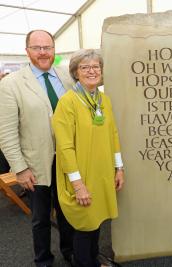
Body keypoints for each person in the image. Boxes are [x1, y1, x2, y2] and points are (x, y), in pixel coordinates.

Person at [0, 30, 75, 266]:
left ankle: (71, 252)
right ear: (27, 51)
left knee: (68, 213)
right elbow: (6, 132)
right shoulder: (11, 84)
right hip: (35, 164)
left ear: (55, 50)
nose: (43, 52)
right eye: (37, 48)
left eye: (48, 47)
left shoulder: (68, 77)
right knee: (41, 219)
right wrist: (20, 169)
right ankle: (43, 260)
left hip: (68, 160)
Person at [52, 49, 124, 267]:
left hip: (102, 173)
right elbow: (64, 147)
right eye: (85, 67)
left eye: (96, 67)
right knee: (85, 226)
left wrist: (118, 168)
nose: (92, 71)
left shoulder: (103, 100)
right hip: (81, 175)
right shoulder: (68, 103)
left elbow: (113, 134)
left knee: (97, 222)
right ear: (76, 72)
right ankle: (84, 262)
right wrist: (77, 184)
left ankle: (93, 259)